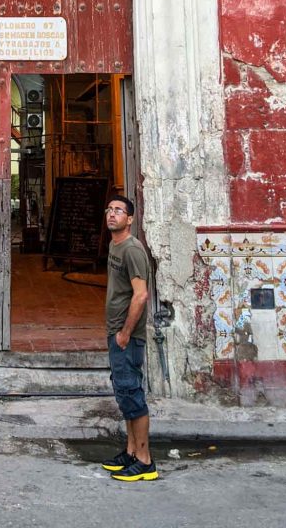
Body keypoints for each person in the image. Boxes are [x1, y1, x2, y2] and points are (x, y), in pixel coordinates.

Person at [100, 193, 158, 482]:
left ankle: (145, 461)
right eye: (109, 210)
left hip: (127, 335)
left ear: (130, 219)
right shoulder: (115, 244)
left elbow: (141, 295)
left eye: (119, 211)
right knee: (124, 393)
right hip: (116, 331)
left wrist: (124, 333)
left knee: (133, 394)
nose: (112, 214)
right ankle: (131, 451)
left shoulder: (133, 250)